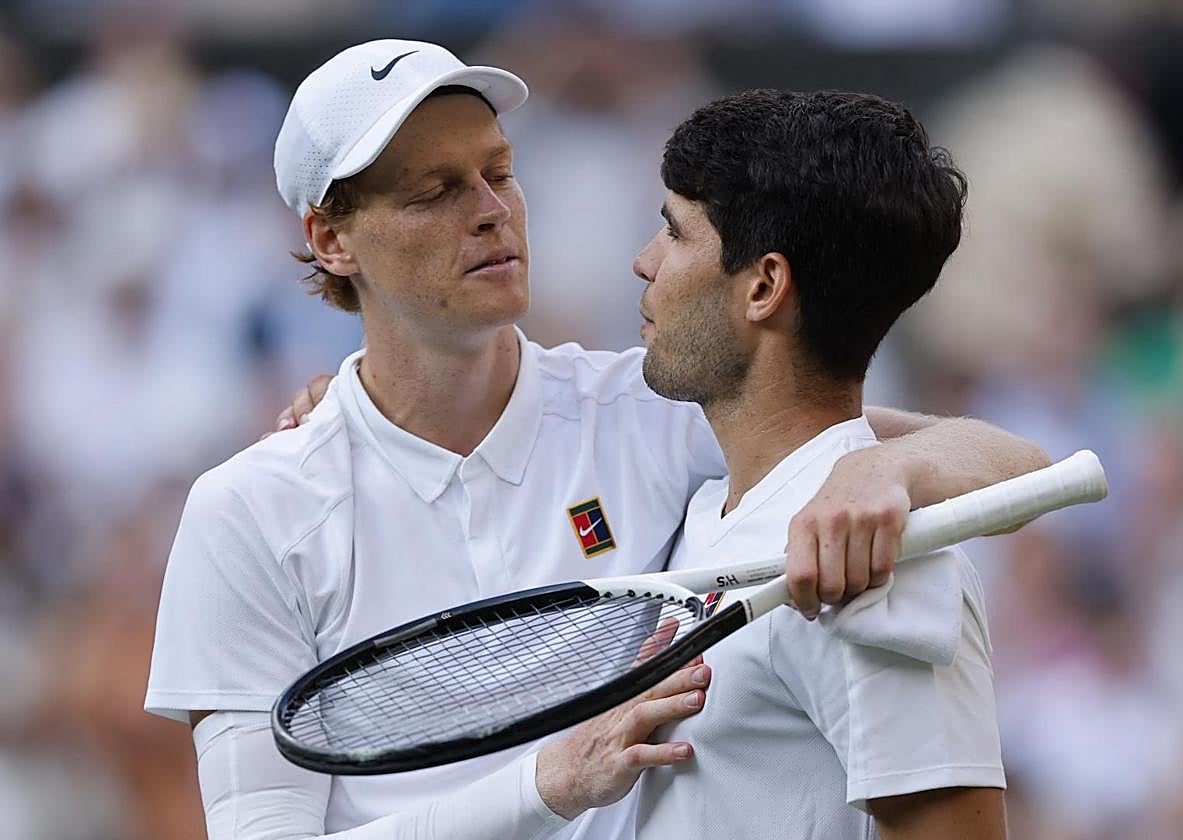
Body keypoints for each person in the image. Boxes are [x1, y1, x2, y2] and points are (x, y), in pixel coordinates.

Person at [145, 40, 1044, 839]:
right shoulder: (248, 511)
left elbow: (1006, 464)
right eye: (437, 191)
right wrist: (545, 787)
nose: (493, 210)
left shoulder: (654, 406)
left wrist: (891, 465)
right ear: (331, 239)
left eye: (500, 171)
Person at [631, 89, 1006, 838]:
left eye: (673, 235)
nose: (644, 263)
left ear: (764, 286)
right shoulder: (715, 501)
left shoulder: (876, 569)